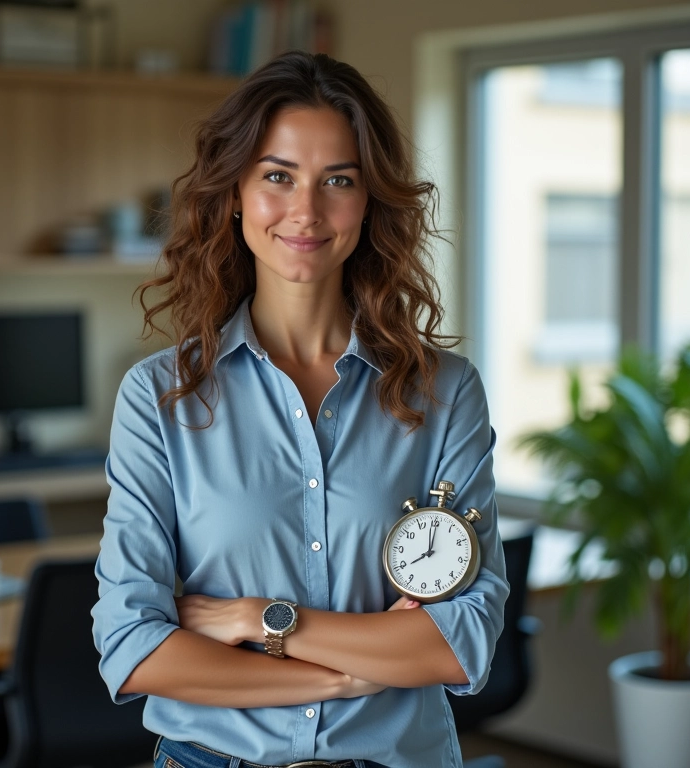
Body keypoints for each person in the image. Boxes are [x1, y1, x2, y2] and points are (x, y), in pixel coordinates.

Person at [92, 50, 508, 768]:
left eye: (338, 180)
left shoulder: (444, 392)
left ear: (369, 200)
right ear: (235, 193)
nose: (306, 211)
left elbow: (461, 641)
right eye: (278, 176)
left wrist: (259, 620)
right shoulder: (159, 397)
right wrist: (346, 674)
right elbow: (133, 648)